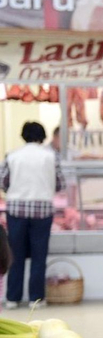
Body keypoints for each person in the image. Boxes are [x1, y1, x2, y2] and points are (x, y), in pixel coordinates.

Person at [1, 122, 65, 309]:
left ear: (23, 136)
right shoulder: (51, 156)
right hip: (42, 211)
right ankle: (36, 299)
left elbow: (3, 182)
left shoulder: (12, 155)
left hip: (16, 211)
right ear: (42, 136)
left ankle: (12, 299)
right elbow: (60, 183)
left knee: (15, 254)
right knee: (39, 255)